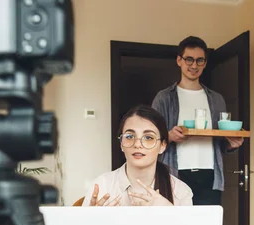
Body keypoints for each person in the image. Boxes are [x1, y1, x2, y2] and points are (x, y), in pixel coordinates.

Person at [152, 36, 244, 206]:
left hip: (210, 175)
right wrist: (169, 136)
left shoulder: (217, 100)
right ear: (179, 60)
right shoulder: (164, 98)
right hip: (175, 174)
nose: (194, 65)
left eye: (199, 60)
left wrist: (231, 144)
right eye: (189, 59)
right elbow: (150, 138)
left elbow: (220, 142)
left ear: (205, 63)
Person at [82, 105, 193, 207]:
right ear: (121, 144)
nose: (137, 144)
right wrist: (92, 220)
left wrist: (169, 212)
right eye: (130, 136)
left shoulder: (180, 191)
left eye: (148, 137)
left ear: (162, 146)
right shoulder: (102, 186)